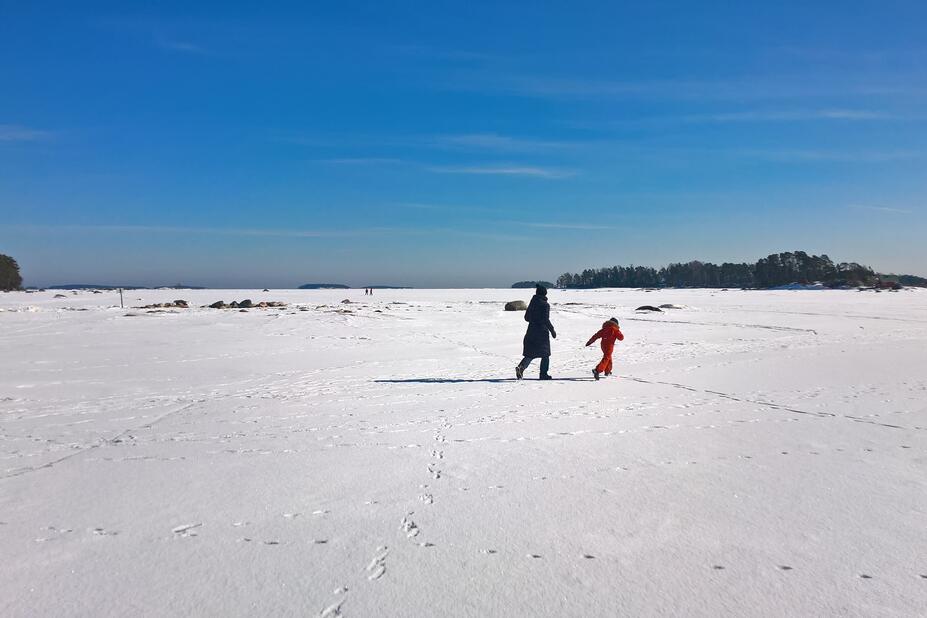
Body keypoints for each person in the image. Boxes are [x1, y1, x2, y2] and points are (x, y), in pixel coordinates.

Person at [516, 285, 556, 380]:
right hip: (541, 332)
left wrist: (534, 319)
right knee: (545, 354)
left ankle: (521, 367)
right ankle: (543, 374)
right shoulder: (545, 305)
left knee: (530, 353)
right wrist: (552, 330)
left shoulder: (532, 303)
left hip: (531, 331)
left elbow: (526, 318)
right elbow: (546, 319)